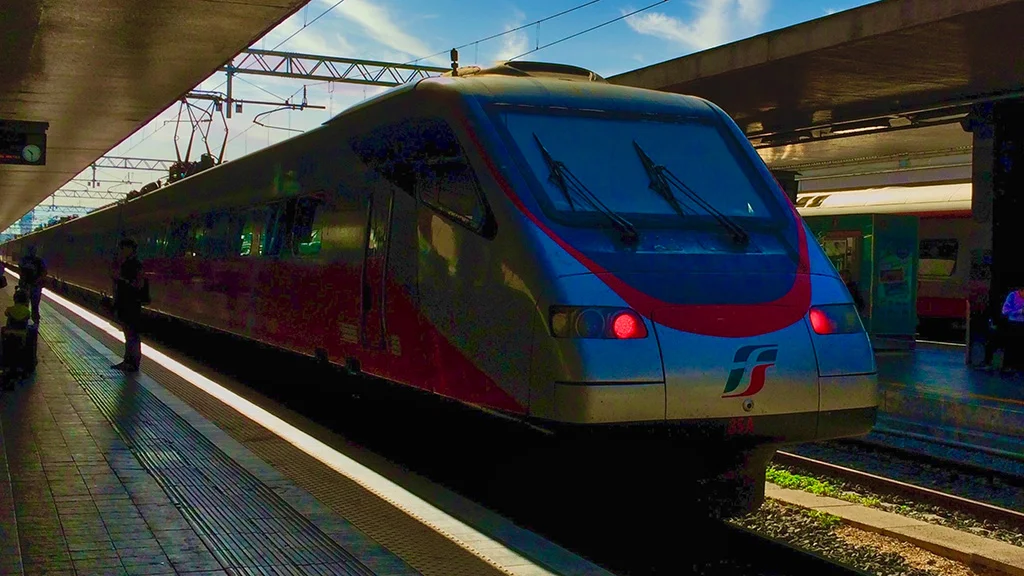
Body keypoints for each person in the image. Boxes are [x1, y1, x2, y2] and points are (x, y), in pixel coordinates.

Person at [111, 238, 145, 372]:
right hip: (128, 302)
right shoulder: (129, 263)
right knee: (129, 333)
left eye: (124, 248)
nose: (122, 251)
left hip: (131, 303)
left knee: (131, 334)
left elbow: (137, 284)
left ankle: (132, 362)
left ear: (130, 249)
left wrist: (120, 279)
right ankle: (128, 360)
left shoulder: (134, 264)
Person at [17, 246, 46, 324]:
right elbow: (43, 273)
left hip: (26, 286)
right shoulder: (39, 261)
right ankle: (35, 323)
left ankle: (24, 322)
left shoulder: (23, 260)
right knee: (34, 306)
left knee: (24, 305)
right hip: (35, 286)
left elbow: (20, 271)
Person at [1000, 287, 1024, 372]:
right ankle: (1007, 366)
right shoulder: (1012, 296)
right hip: (1013, 324)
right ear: (1021, 290)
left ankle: (1019, 366)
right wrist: (1019, 311)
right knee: (1011, 345)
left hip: (1022, 324)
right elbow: (1005, 311)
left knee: (1021, 346)